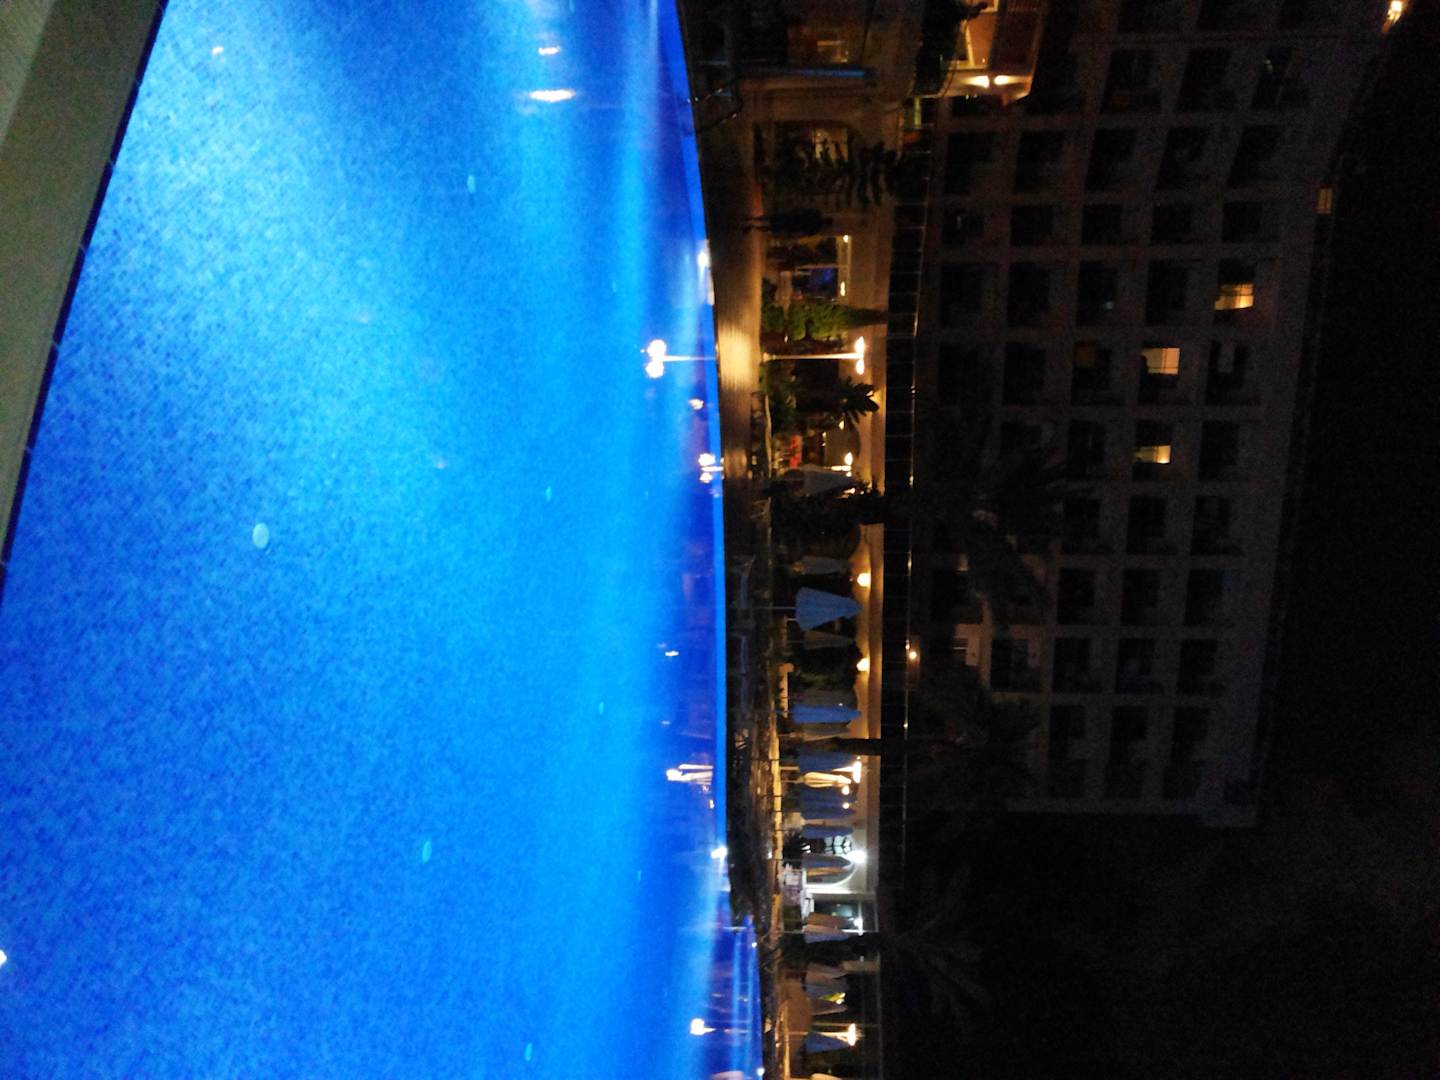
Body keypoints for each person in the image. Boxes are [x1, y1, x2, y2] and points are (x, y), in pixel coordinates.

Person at [744, 207, 833, 237]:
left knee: (771, 219)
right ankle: (753, 226)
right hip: (792, 226)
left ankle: (753, 220)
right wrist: (794, 234)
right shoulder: (817, 228)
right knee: (771, 228)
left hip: (792, 218)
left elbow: (803, 210)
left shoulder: (816, 214)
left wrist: (793, 211)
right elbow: (805, 233)